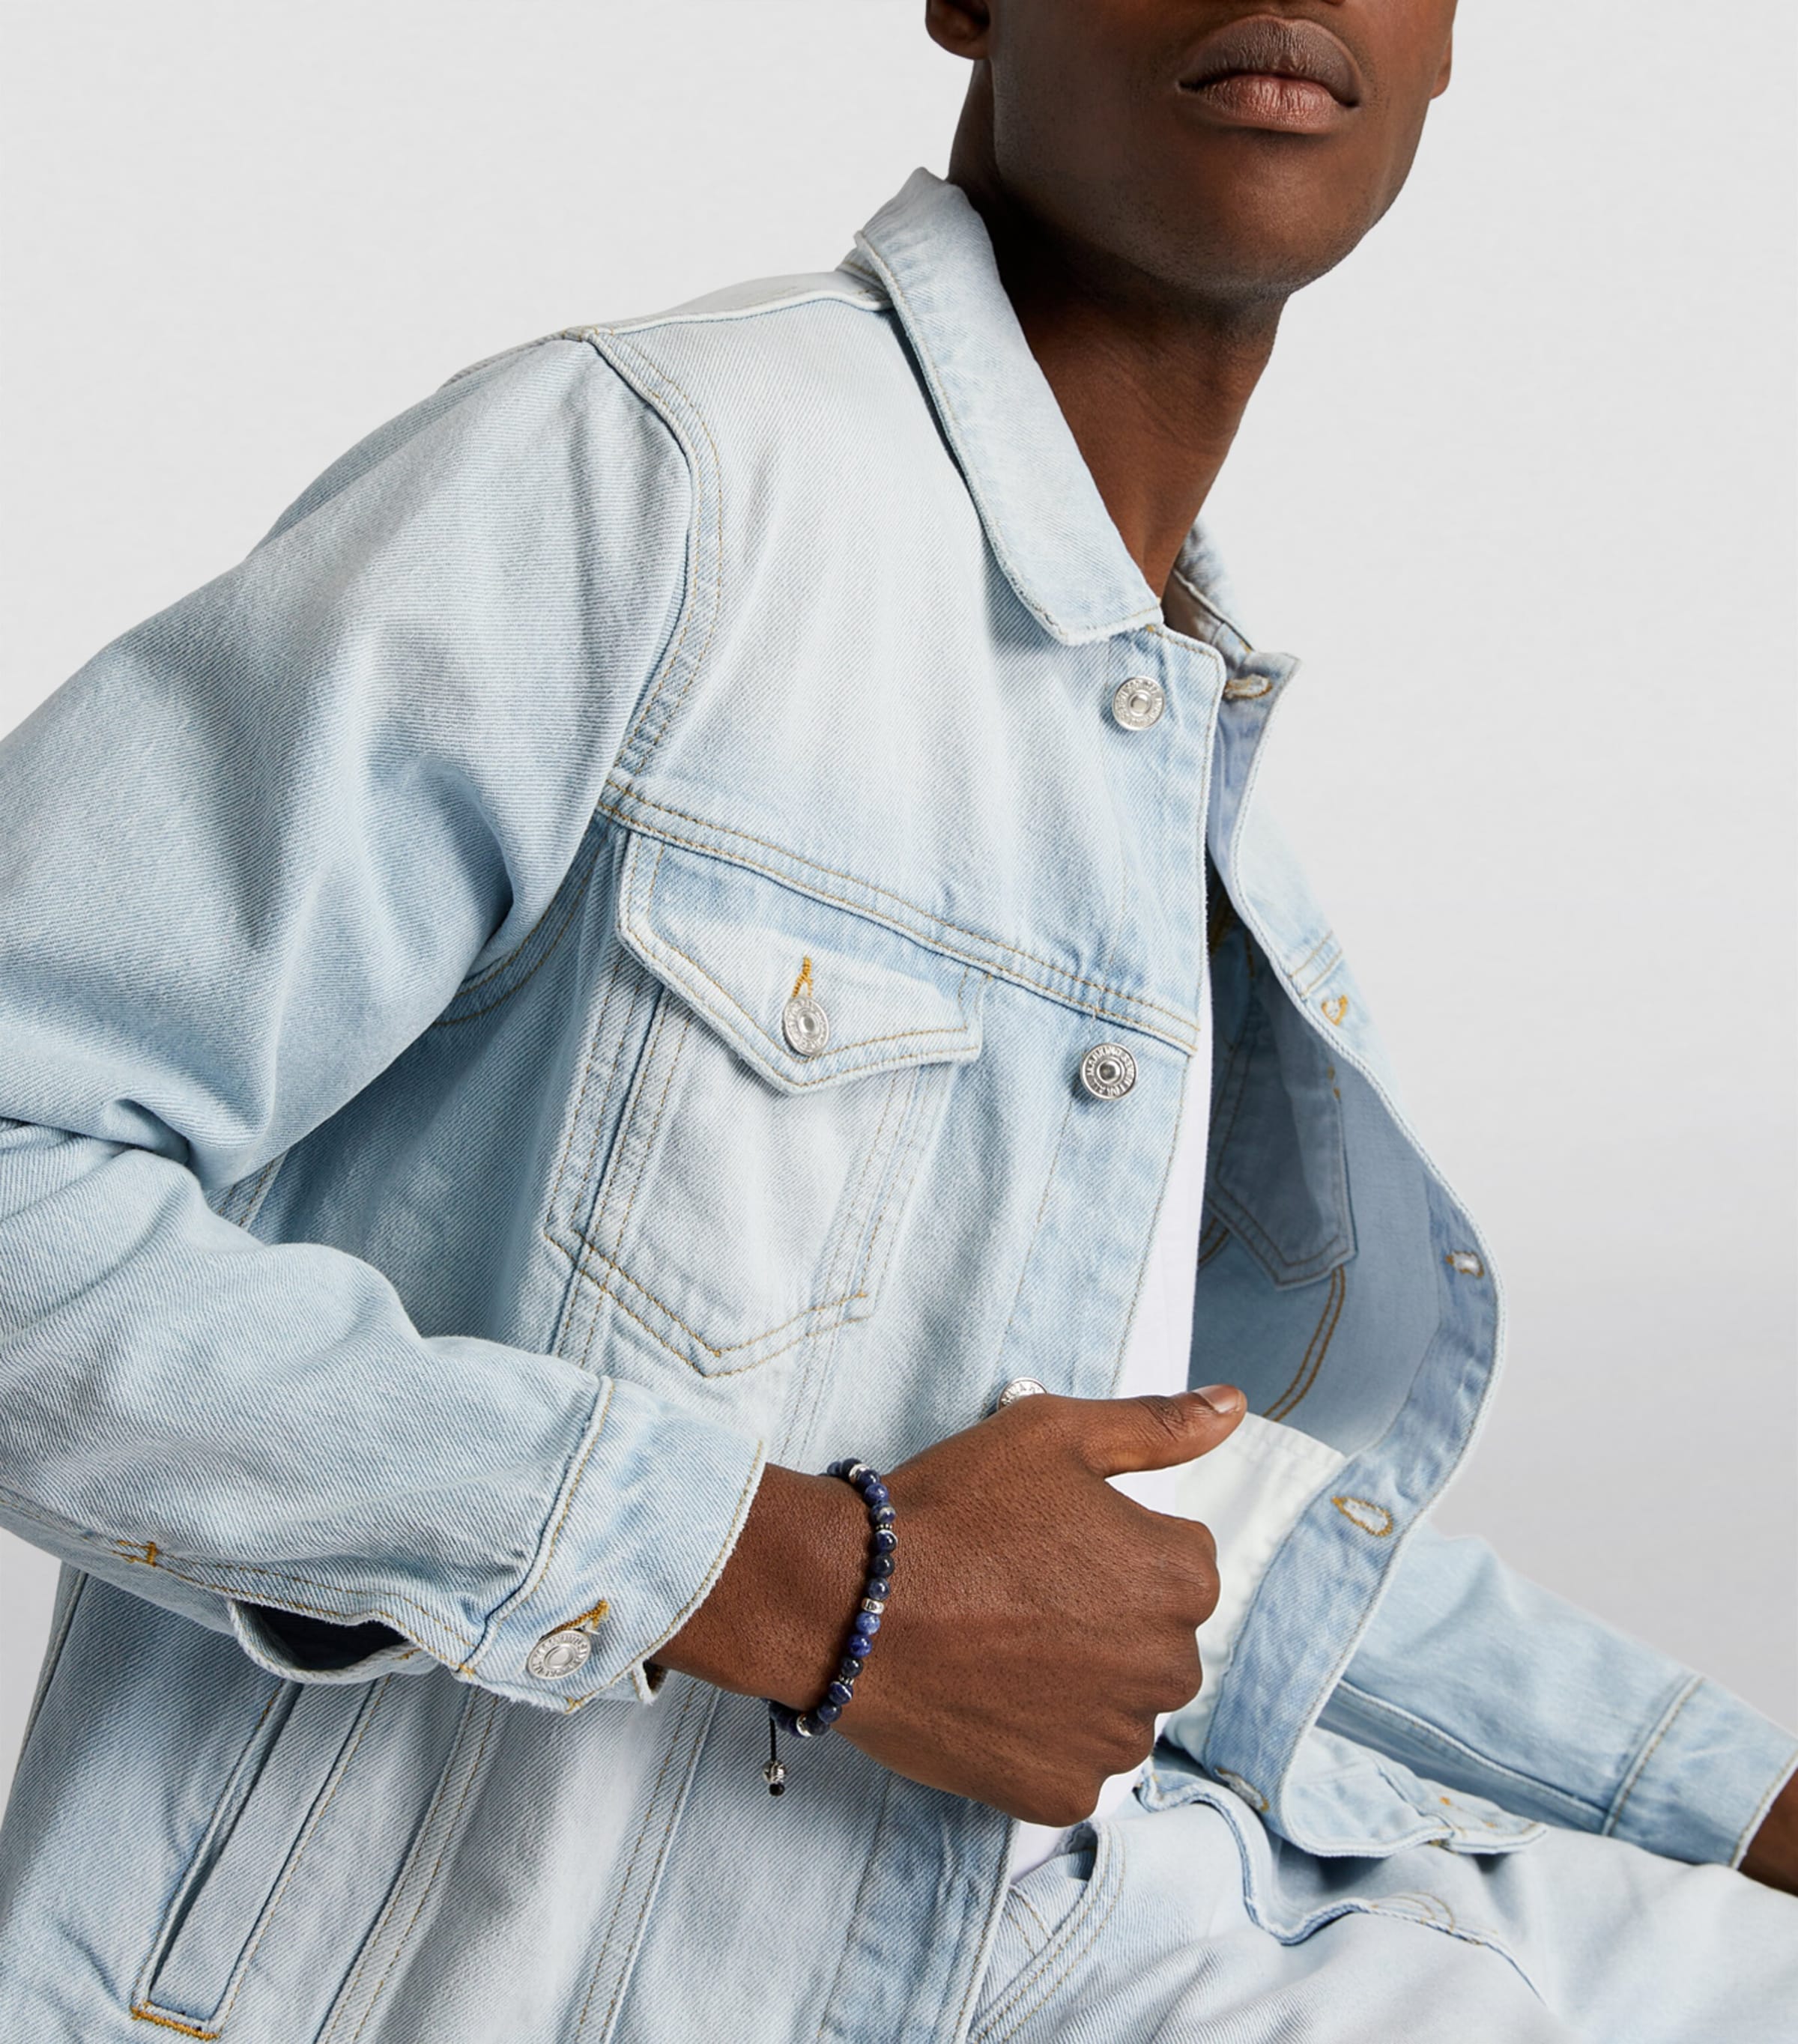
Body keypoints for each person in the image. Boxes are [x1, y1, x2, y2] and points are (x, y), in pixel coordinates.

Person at [1, 2, 1793, 2038]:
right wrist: (789, 1582)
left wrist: (1745, 1797)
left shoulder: (1150, 732)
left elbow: (1146, 1532)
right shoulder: (653, 488)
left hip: (1087, 1936)